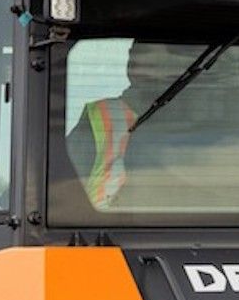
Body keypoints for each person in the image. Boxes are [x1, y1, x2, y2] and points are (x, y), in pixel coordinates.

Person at [64, 42, 186, 209]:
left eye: (156, 65)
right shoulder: (99, 117)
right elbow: (62, 190)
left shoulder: (206, 123)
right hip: (105, 230)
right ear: (130, 66)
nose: (150, 72)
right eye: (145, 64)